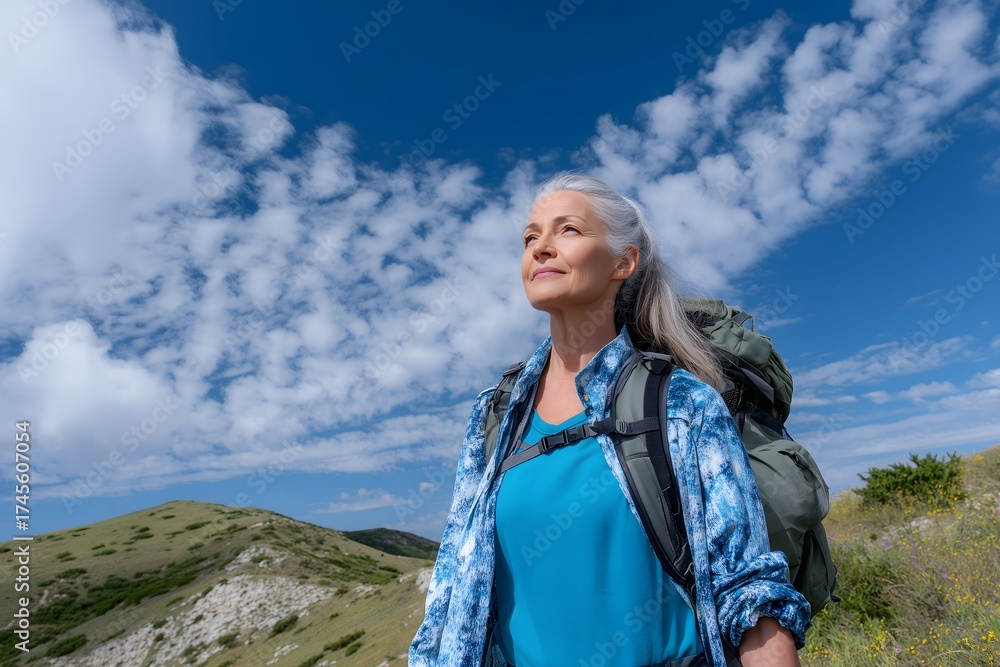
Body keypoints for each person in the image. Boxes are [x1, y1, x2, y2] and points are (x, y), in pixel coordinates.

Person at [408, 173, 810, 667]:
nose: (541, 248)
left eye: (568, 230)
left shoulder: (682, 404)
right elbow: (451, 586)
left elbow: (749, 590)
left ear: (624, 261)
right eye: (530, 237)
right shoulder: (494, 414)